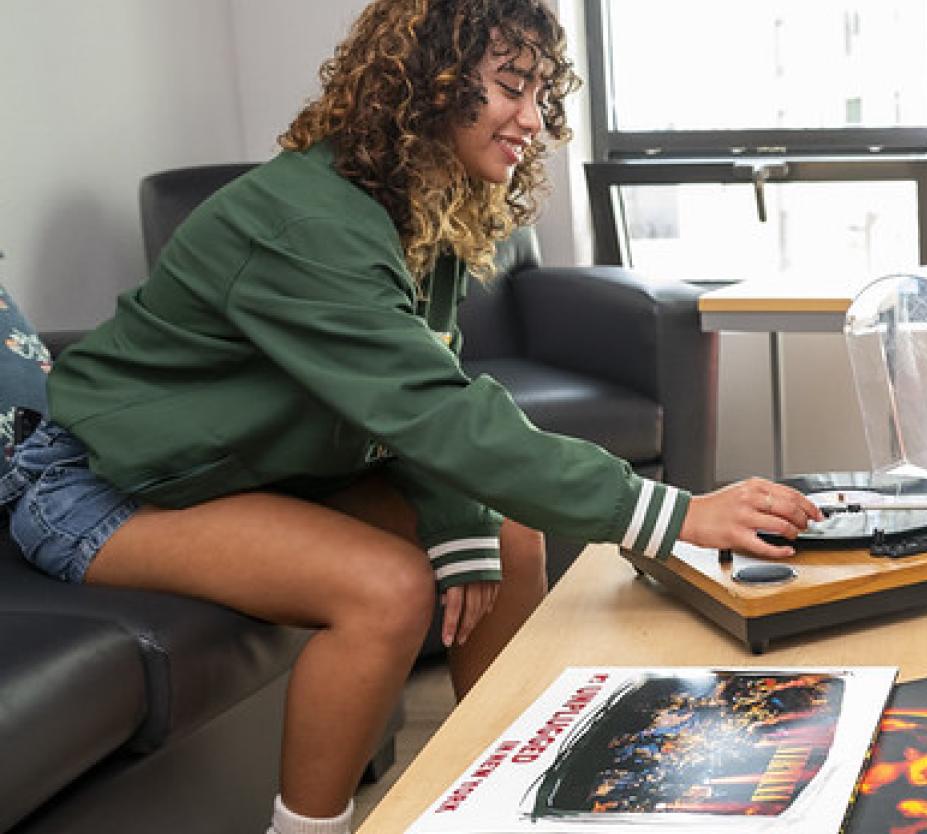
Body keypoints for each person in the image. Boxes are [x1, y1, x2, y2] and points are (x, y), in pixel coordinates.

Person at [0, 1, 822, 832]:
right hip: (99, 485)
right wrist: (672, 515)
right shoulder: (307, 222)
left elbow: (429, 379)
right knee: (386, 590)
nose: (533, 120)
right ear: (428, 81)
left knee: (506, 533)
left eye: (541, 95)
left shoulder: (419, 209)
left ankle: (517, 804)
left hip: (229, 470)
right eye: (511, 86)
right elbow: (434, 411)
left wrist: (460, 522)